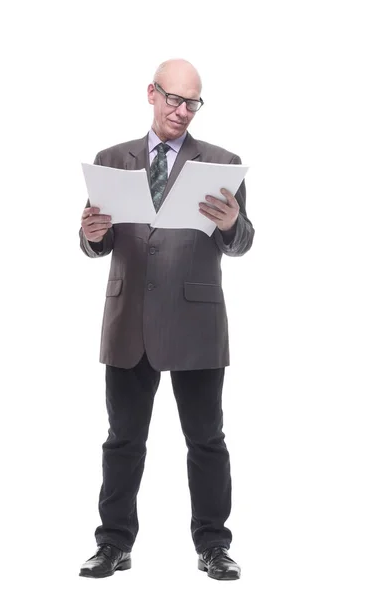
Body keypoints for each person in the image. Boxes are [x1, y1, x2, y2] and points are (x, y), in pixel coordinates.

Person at [78, 58, 255, 581]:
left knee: (206, 438)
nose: (183, 111)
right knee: (122, 439)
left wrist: (233, 224)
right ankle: (113, 543)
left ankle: (213, 545)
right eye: (174, 99)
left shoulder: (222, 162)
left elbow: (243, 242)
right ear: (151, 94)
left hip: (196, 321)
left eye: (192, 103)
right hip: (129, 317)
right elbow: (97, 242)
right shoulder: (112, 159)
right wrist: (90, 235)